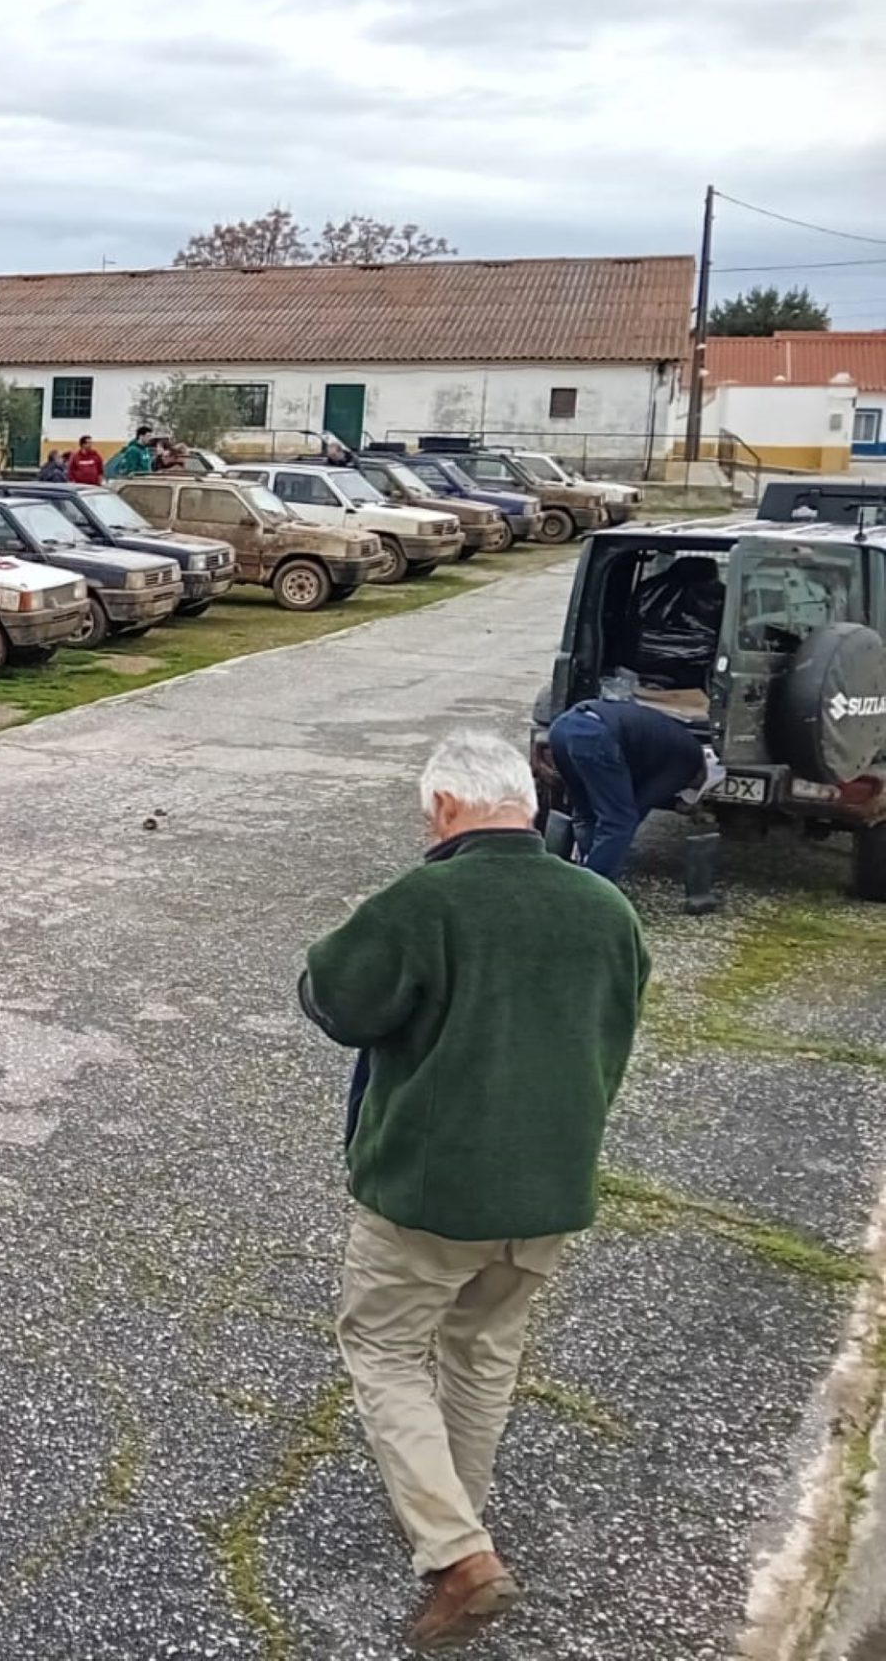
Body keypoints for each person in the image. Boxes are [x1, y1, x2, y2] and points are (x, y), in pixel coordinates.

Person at [300, 730, 647, 1649]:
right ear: (526, 808)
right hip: (550, 1186)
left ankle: (457, 1551)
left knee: (382, 1348)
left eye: (428, 817)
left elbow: (337, 999)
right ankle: (454, 1516)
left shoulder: (428, 899)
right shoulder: (607, 906)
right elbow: (613, 1035)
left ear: (448, 810)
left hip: (431, 1190)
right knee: (485, 1351)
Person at [546, 698, 720, 884]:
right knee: (620, 821)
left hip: (564, 727)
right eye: (692, 787)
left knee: (586, 810)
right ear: (702, 775)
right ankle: (593, 887)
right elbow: (639, 804)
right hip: (594, 736)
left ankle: (585, 866)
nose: (684, 787)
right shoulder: (689, 762)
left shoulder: (674, 744)